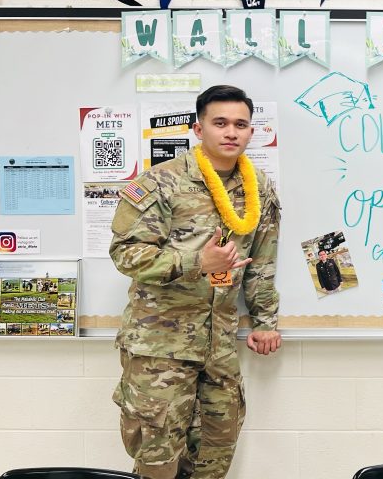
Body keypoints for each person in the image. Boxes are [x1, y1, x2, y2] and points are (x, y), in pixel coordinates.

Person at [109, 85, 282, 479]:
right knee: (157, 461)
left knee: (214, 458)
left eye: (241, 124)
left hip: (218, 348)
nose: (231, 132)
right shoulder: (159, 184)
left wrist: (265, 321)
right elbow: (126, 254)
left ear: (251, 132)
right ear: (197, 128)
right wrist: (195, 262)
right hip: (160, 348)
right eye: (219, 122)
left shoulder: (260, 190)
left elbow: (262, 262)